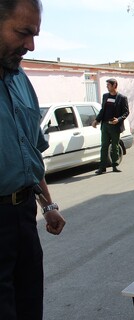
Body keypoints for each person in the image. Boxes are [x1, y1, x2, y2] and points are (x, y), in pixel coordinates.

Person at [0, 1, 66, 319]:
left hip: (23, 217)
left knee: (29, 306)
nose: (31, 45)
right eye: (23, 33)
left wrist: (48, 206)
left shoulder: (21, 80)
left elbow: (31, 151)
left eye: (35, 34)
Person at [92, 78, 129, 174]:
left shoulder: (122, 98)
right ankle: (102, 167)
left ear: (114, 85)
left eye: (108, 85)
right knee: (104, 146)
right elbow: (102, 110)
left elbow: (126, 112)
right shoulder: (105, 96)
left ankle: (115, 165)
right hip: (105, 125)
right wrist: (96, 120)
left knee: (114, 146)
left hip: (115, 126)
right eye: (107, 85)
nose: (107, 87)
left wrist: (118, 120)